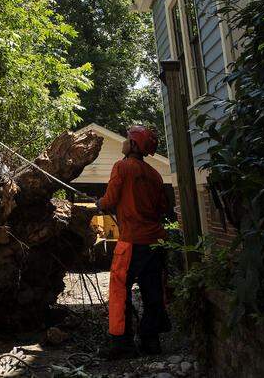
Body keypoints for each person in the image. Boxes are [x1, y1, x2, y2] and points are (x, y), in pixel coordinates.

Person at [96, 125, 171, 358]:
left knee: (119, 290)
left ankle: (122, 344)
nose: (124, 142)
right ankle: (151, 342)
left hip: (131, 242)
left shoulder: (122, 167)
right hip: (156, 242)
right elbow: (162, 208)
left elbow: (109, 201)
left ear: (134, 145)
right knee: (153, 292)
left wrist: (99, 203)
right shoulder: (155, 175)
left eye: (127, 139)